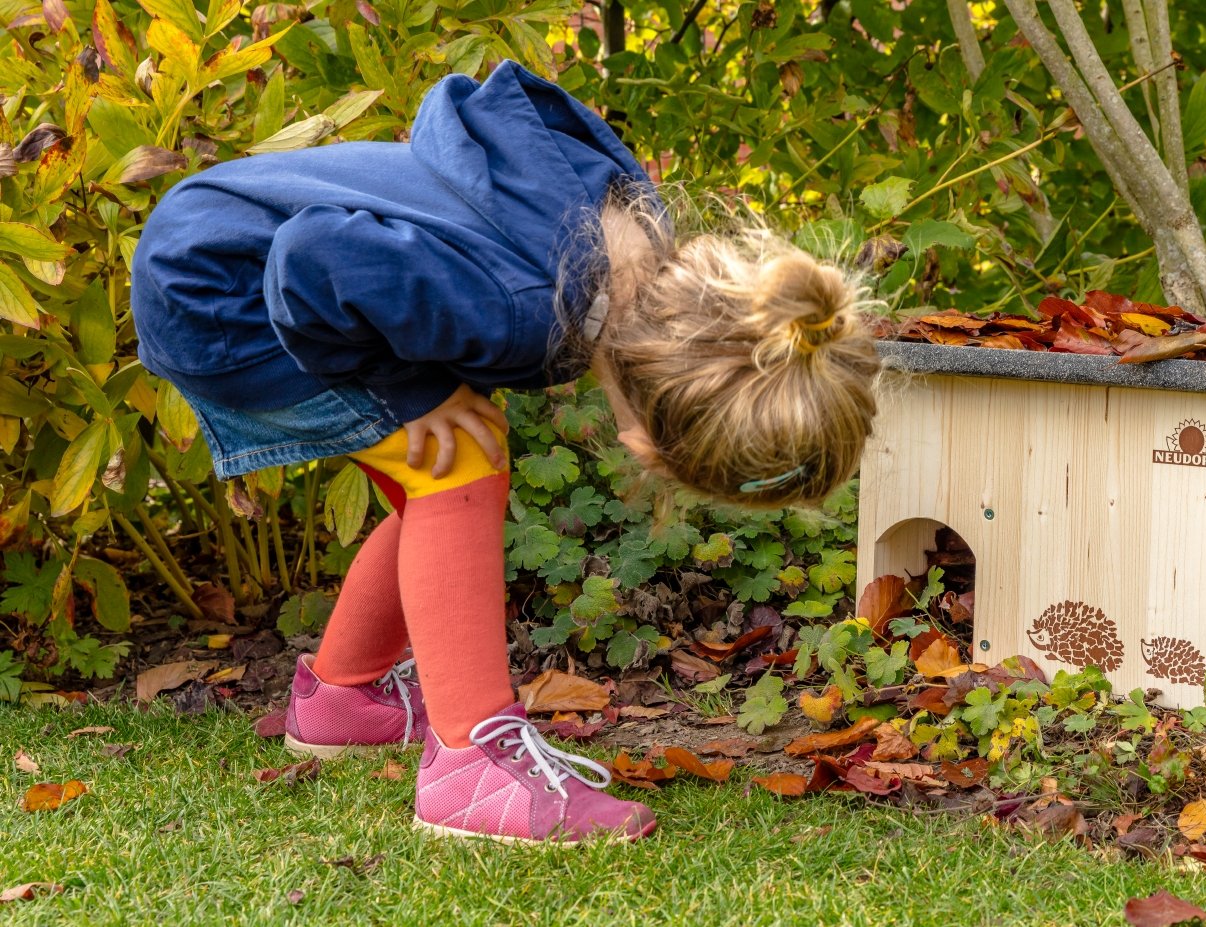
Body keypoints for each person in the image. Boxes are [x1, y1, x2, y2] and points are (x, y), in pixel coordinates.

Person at [131, 60, 880, 843]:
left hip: (218, 247)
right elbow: (310, 257)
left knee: (451, 464)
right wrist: (417, 397)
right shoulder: (522, 307)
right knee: (456, 462)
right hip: (216, 295)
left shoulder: (611, 244)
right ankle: (470, 766)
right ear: (645, 442)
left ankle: (344, 701)